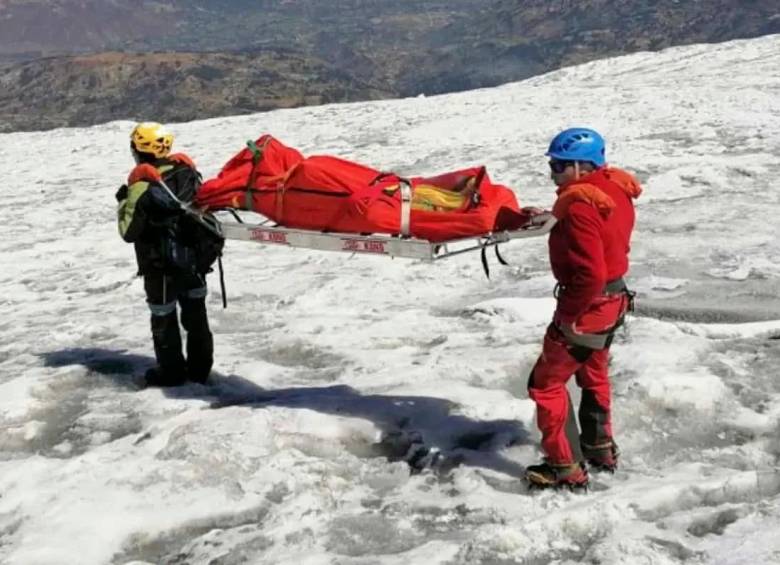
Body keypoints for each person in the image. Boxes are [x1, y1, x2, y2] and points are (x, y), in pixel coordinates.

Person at [524, 127, 642, 489]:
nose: (553, 174)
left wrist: (568, 318)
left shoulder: (579, 206)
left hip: (589, 307)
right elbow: (600, 227)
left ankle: (564, 467)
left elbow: (589, 273)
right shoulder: (613, 188)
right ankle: (599, 447)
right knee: (593, 374)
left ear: (580, 166)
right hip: (615, 300)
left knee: (546, 383)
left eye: (559, 166)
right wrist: (552, 215)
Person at [116, 122, 215, 387]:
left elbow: (128, 231)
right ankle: (200, 371)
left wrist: (123, 201)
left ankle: (171, 374)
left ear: (139, 149)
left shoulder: (141, 185)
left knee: (164, 318)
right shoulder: (188, 173)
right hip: (194, 262)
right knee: (196, 317)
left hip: (159, 266)